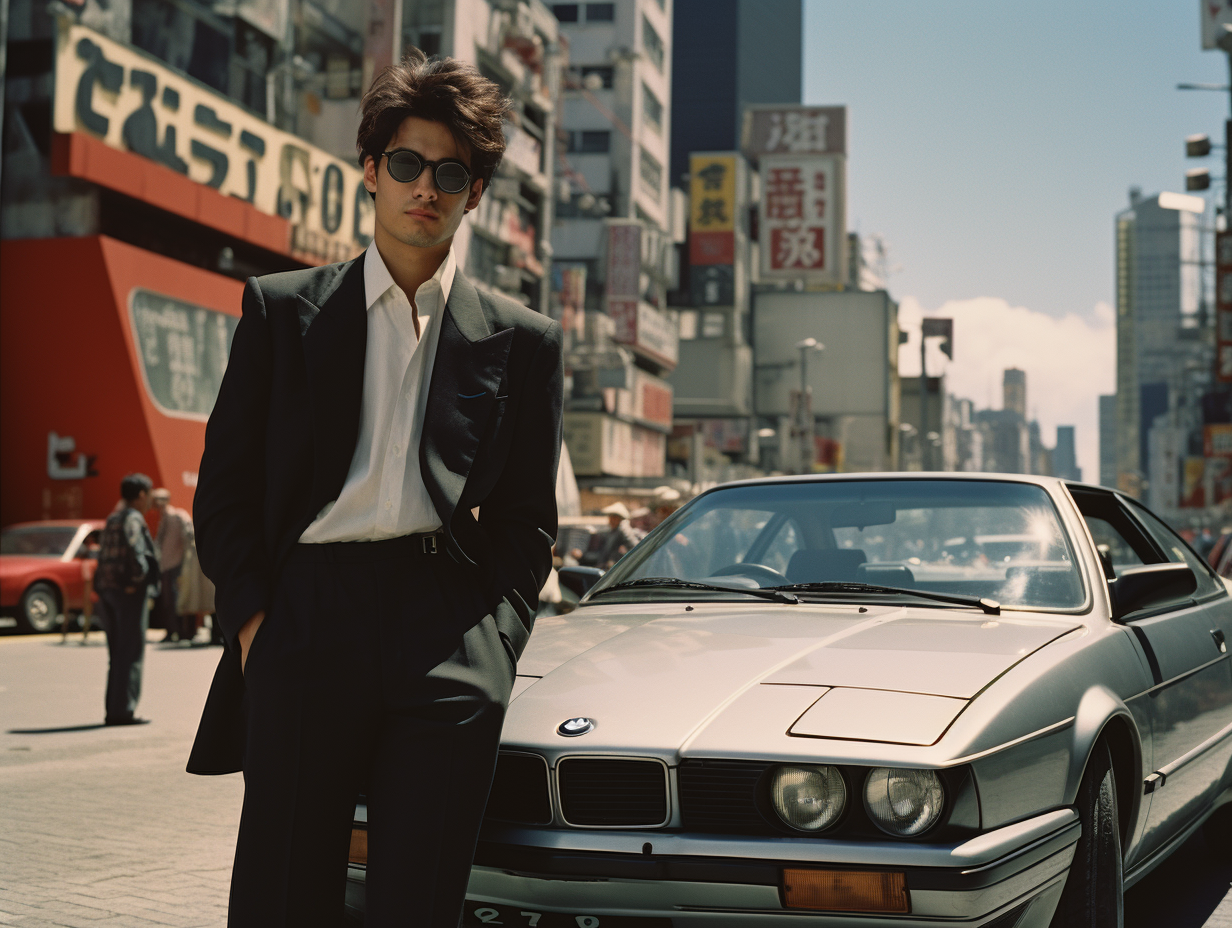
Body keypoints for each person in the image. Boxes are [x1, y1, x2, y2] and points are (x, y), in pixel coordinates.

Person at [187, 49, 563, 928]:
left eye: (449, 173)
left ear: (474, 193)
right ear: (368, 170)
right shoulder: (283, 311)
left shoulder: (524, 340)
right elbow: (227, 488)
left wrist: (493, 647)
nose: (423, 188)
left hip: (445, 623)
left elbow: (526, 522)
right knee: (284, 893)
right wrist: (254, 628)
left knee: (418, 900)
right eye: (404, 164)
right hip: (307, 617)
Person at [93, 473, 160, 725]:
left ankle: (114, 709)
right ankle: (124, 711)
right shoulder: (133, 518)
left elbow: (102, 555)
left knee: (117, 654)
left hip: (108, 592)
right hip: (127, 594)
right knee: (131, 652)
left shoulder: (113, 517)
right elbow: (136, 552)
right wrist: (137, 581)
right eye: (150, 493)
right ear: (141, 494)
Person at [151, 488, 193, 642]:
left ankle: (182, 631)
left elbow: (189, 536)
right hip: (166, 564)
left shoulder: (177, 516)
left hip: (177, 564)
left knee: (177, 599)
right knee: (169, 601)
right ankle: (173, 630)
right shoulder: (165, 518)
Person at [588, 502, 644, 569]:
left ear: (620, 519)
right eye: (610, 517)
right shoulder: (610, 533)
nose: (611, 521)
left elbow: (634, 546)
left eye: (614, 518)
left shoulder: (623, 532)